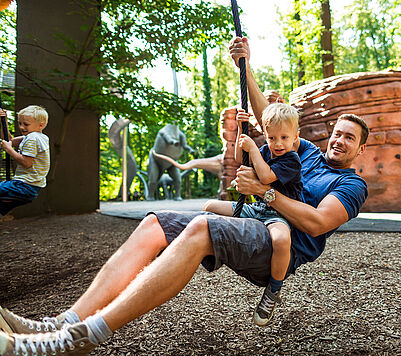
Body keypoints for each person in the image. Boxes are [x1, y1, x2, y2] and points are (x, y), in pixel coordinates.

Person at [0, 37, 368, 356]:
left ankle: (80, 338)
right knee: (155, 223)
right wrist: (246, 66)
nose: (339, 140)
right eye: (337, 133)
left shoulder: (352, 187)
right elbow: (269, 118)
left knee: (202, 227)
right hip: (254, 221)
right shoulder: (302, 151)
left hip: (278, 247)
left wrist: (265, 192)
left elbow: (318, 223)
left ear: (361, 150)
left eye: (349, 138)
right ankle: (64, 322)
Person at [203, 102, 303, 326]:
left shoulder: (291, 160)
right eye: (271, 138)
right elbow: (241, 157)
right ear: (266, 135)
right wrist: (241, 127)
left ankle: (273, 291)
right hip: (257, 208)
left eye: (284, 138)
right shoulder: (267, 150)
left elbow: (266, 177)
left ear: (296, 137)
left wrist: (256, 149)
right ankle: (204, 250)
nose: (277, 144)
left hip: (279, 213)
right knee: (210, 207)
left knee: (281, 239)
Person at [0, 105, 50, 216]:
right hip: (31, 189)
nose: (22, 127)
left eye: (26, 124)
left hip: (23, 186)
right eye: (20, 123)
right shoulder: (41, 137)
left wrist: (9, 149)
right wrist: (4, 121)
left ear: (41, 125)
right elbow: (9, 140)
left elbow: (26, 163)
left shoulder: (33, 138)